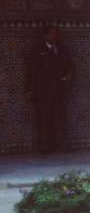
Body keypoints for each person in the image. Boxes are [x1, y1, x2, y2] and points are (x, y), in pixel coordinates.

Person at [25, 25, 73, 153]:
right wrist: (29, 90)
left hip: (60, 90)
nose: (54, 36)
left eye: (55, 34)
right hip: (43, 92)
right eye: (51, 34)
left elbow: (70, 65)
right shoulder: (37, 50)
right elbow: (31, 72)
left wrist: (69, 76)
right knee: (44, 119)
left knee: (60, 118)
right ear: (45, 35)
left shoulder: (61, 49)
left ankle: (62, 145)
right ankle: (45, 147)